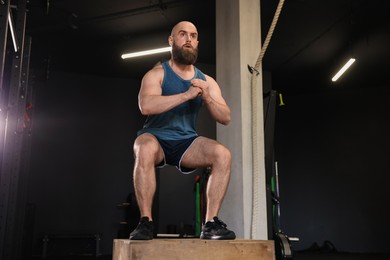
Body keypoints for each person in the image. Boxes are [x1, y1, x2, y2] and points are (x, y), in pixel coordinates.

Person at [129, 21, 236, 240]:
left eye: (193, 35)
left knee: (222, 154)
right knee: (143, 146)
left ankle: (210, 224)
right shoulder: (156, 74)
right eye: (183, 34)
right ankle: (145, 222)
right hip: (156, 138)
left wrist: (206, 96)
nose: (188, 39)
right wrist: (186, 95)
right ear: (172, 40)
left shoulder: (207, 81)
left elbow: (225, 117)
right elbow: (146, 106)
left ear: (197, 42)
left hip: (187, 142)